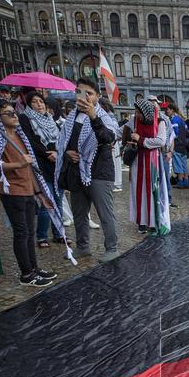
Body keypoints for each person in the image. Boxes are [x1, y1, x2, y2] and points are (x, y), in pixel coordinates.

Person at [0, 99, 58, 287]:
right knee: (22, 231)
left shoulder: (18, 134)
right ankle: (26, 273)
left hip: (27, 189)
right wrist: (18, 164)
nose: (14, 116)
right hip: (11, 191)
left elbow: (30, 166)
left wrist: (38, 191)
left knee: (30, 232)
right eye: (8, 114)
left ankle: (34, 268)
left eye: (14, 112)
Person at [54, 78, 119, 263]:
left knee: (105, 214)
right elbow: (63, 142)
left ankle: (112, 248)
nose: (84, 97)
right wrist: (67, 153)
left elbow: (107, 137)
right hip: (77, 172)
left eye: (89, 93)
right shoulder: (71, 118)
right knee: (79, 214)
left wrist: (93, 116)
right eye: (80, 92)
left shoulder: (103, 117)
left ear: (97, 96)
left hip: (99, 173)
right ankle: (83, 247)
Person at [19, 91, 62, 248]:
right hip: (42, 164)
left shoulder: (51, 120)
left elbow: (60, 140)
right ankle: (42, 235)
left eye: (41, 101)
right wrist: (46, 153)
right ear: (29, 105)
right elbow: (29, 141)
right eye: (35, 102)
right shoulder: (25, 118)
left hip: (56, 164)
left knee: (58, 200)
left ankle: (59, 233)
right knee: (46, 202)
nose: (39, 105)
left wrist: (58, 153)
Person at [125, 99, 172, 236]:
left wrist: (140, 139)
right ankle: (142, 221)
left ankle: (153, 222)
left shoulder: (160, 122)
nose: (138, 115)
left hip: (153, 162)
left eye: (140, 112)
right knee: (139, 191)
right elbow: (121, 131)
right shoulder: (134, 121)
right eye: (137, 112)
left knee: (153, 191)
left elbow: (161, 141)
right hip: (138, 161)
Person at [168, 104, 189, 188]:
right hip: (184, 144)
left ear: (172, 110)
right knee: (184, 164)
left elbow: (175, 133)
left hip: (177, 144)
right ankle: (186, 181)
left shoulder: (174, 119)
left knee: (178, 164)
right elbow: (186, 130)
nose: (167, 111)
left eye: (168, 110)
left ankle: (180, 182)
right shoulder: (181, 119)